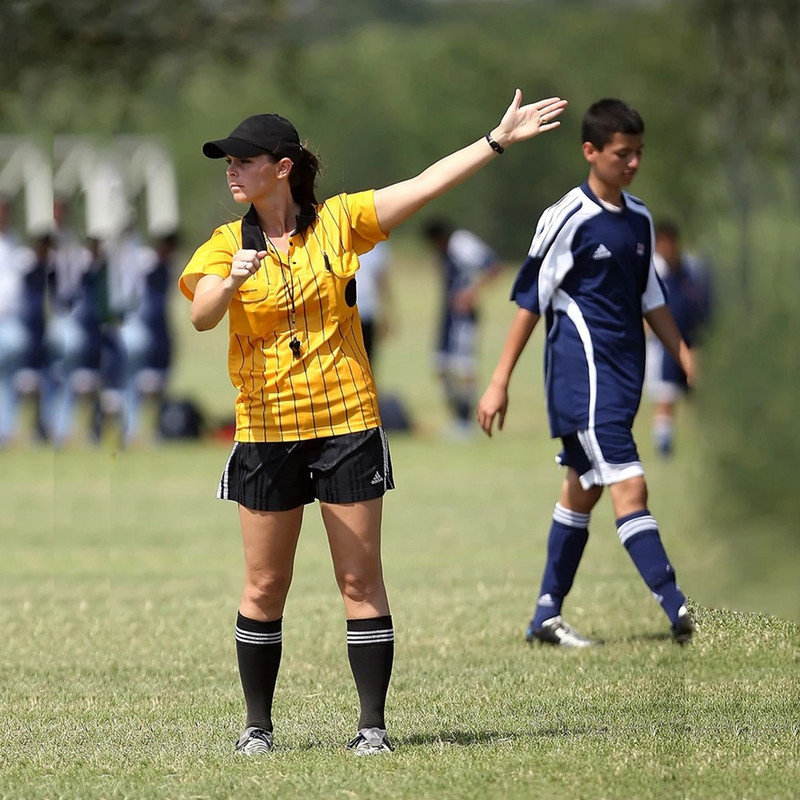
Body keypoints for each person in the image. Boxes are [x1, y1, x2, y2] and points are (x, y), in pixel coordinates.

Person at [178, 91, 568, 755]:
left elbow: (423, 185)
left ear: (282, 167)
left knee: (360, 580)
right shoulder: (224, 245)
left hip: (346, 422)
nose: (231, 169)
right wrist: (233, 280)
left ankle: (372, 729)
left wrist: (495, 141)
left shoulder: (340, 222)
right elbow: (202, 314)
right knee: (265, 584)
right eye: (227, 160)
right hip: (266, 431)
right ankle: (256, 729)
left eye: (243, 159)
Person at [477, 98, 696, 648]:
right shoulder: (565, 217)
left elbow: (653, 299)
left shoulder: (641, 218)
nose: (633, 163)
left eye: (639, 153)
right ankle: (681, 610)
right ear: (590, 151)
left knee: (582, 491)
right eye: (623, 153)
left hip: (623, 378)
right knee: (630, 484)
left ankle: (545, 616)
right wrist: (500, 379)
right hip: (583, 378)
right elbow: (529, 300)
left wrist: (685, 356)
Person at [423, 218, 502, 437]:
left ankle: (466, 421)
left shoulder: (462, 244)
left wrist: (471, 293)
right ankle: (456, 418)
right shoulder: (443, 252)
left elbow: (493, 267)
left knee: (464, 367)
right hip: (448, 316)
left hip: (464, 318)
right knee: (440, 365)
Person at [647, 219, 711, 457]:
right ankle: (664, 447)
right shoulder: (652, 269)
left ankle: (708, 445)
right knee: (665, 395)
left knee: (700, 395)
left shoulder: (691, 268)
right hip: (663, 345)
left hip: (693, 343)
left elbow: (703, 303)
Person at [353, 238, 393, 366]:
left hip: (367, 311)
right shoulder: (337, 234)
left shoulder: (379, 245)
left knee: (367, 361)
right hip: (341, 313)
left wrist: (386, 314)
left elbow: (383, 282)